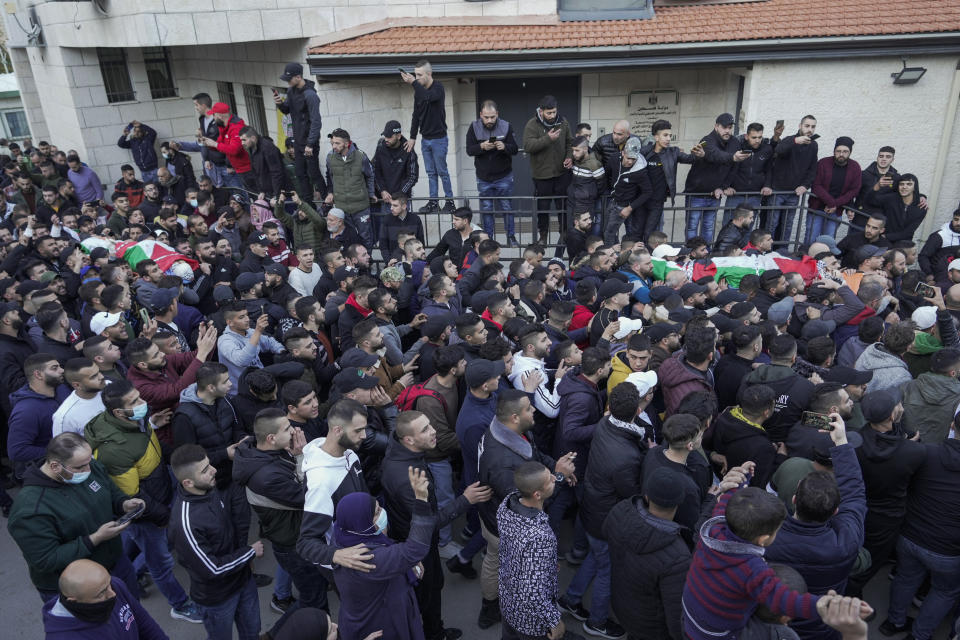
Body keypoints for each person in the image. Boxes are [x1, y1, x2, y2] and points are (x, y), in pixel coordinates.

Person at [84, 380, 202, 623]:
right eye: (135, 402)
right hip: (148, 511)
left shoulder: (133, 421)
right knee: (161, 562)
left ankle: (130, 572)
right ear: (118, 412)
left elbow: (151, 448)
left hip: (159, 491)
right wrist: (163, 517)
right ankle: (179, 605)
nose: (142, 404)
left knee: (138, 545)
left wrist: (177, 458)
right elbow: (133, 495)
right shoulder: (114, 449)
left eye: (140, 397)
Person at [681, 462, 823, 640]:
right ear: (764, 539)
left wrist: (741, 480)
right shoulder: (751, 568)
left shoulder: (713, 530)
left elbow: (725, 502)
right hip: (716, 633)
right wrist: (824, 606)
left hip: (690, 616)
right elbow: (784, 600)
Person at [381, 411, 489, 640]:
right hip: (416, 545)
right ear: (408, 440)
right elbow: (427, 523)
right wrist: (465, 500)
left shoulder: (400, 448)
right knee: (427, 594)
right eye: (425, 430)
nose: (433, 432)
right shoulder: (406, 478)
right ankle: (434, 634)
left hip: (409, 537)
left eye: (430, 425)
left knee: (431, 587)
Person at [476, 390, 577, 630]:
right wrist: (559, 477)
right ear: (513, 416)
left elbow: (536, 457)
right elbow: (529, 500)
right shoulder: (501, 461)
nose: (534, 411)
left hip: (500, 516)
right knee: (499, 563)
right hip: (500, 526)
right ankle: (491, 608)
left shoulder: (511, 432)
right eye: (529, 409)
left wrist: (556, 468)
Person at [765, 412, 867, 640]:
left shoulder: (766, 538)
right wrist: (841, 442)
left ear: (793, 500)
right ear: (835, 512)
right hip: (822, 627)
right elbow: (854, 493)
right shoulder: (846, 543)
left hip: (774, 622)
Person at [7, 432, 144, 600]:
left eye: (89, 462)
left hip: (116, 564)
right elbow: (46, 560)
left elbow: (109, 490)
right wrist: (95, 538)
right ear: (56, 466)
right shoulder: (30, 510)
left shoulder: (87, 467)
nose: (88, 470)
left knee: (132, 616)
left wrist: (123, 504)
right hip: (78, 590)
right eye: (80, 467)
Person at [232, 408, 329, 615]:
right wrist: (302, 457)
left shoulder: (264, 451)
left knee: (313, 595)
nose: (293, 430)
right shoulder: (267, 476)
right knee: (315, 600)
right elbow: (307, 497)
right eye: (287, 428)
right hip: (293, 543)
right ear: (271, 438)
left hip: (293, 534)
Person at [168, 444, 262, 640]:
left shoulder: (209, 490)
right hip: (218, 599)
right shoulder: (185, 522)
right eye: (205, 470)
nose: (214, 470)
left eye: (209, 464)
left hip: (243, 582)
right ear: (188, 483)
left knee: (252, 632)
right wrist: (249, 552)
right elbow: (212, 569)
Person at [334, 467, 435, 640]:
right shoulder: (365, 557)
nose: (382, 514)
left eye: (380, 507)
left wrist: (406, 564)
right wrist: (421, 500)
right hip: (383, 624)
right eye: (376, 513)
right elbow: (415, 549)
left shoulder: (343, 536)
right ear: (362, 523)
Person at [881, 425, 960, 640]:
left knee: (905, 578)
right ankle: (919, 636)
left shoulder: (927, 453)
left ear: (952, 426)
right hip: (949, 549)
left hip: (911, 535)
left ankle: (893, 622)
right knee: (944, 591)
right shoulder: (927, 453)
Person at [604, 467, 689, 640]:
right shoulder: (678, 557)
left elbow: (605, 531)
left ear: (647, 496)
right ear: (679, 503)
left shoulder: (621, 510)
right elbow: (675, 614)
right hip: (653, 628)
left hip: (622, 607)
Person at [296, 398, 376, 571]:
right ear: (338, 430)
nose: (364, 435)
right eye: (359, 430)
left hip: (366, 543)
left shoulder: (350, 455)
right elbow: (306, 543)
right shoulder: (321, 482)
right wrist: (336, 555)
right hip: (346, 566)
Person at [497, 461, 567, 640]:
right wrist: (555, 621)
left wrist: (547, 561)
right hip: (530, 622)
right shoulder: (540, 536)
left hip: (507, 601)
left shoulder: (507, 505)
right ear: (537, 494)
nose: (554, 478)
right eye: (550, 480)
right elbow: (533, 593)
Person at [42, 558, 169, 640]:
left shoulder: (113, 586)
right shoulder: (63, 637)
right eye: (101, 594)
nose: (113, 594)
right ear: (73, 601)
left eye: (108, 583)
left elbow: (145, 624)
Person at [172, 362, 246, 490]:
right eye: (225, 381)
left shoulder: (225, 400)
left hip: (235, 474)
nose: (230, 384)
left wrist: (242, 440)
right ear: (211, 388)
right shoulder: (184, 417)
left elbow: (236, 426)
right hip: (212, 484)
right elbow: (188, 458)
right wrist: (224, 454)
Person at [685, 112, 750, 241]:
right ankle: (691, 253)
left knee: (708, 227)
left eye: (730, 127)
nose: (727, 131)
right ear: (716, 126)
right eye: (724, 127)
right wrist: (732, 157)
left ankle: (706, 254)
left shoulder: (734, 142)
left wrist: (722, 187)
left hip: (715, 194)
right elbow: (715, 155)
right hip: (696, 193)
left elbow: (733, 169)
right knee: (692, 227)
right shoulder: (707, 140)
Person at [400, 60, 454, 214]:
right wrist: (412, 137)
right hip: (425, 139)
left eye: (419, 75)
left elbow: (429, 97)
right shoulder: (419, 91)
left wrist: (412, 83)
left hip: (439, 139)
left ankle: (449, 202)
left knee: (442, 171)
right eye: (415, 75)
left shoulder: (438, 88)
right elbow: (416, 115)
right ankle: (433, 202)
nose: (416, 78)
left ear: (429, 74)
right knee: (431, 173)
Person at [706, 384, 782, 490]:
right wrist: (780, 457)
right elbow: (761, 484)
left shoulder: (725, 417)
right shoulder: (762, 447)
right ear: (766, 412)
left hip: (723, 480)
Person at [7, 352, 70, 477]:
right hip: (49, 470)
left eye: (59, 366)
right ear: (38, 374)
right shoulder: (26, 411)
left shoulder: (61, 388)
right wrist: (61, 453)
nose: (62, 370)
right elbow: (17, 451)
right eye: (54, 368)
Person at [466, 100, 519, 246]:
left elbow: (515, 149)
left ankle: (511, 237)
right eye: (486, 117)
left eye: (492, 117)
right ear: (481, 115)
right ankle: (487, 239)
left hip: (504, 176)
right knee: (487, 210)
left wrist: (505, 146)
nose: (489, 120)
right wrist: (481, 146)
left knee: (506, 207)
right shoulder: (474, 127)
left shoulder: (506, 126)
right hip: (484, 177)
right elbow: (469, 150)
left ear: (497, 114)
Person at [523, 95, 573, 245]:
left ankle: (564, 233)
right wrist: (547, 139)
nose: (552, 116)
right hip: (542, 175)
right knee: (543, 208)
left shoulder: (563, 122)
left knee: (562, 206)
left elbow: (570, 142)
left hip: (561, 173)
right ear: (541, 111)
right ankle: (543, 235)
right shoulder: (532, 124)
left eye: (554, 112)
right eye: (548, 113)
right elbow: (528, 146)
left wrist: (570, 157)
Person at [275, 62, 327, 202]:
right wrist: (279, 103)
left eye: (289, 79)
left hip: (309, 142)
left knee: (314, 174)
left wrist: (310, 143)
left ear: (298, 77)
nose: (288, 82)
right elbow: (287, 110)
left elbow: (316, 122)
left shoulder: (310, 95)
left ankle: (328, 202)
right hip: (298, 141)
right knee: (300, 173)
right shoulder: (291, 91)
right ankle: (308, 205)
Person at [768, 115, 818, 243]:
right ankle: (766, 252)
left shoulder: (813, 145)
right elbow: (779, 149)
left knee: (787, 225)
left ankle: (782, 252)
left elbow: (812, 169)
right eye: (807, 126)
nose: (810, 130)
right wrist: (796, 141)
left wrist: (805, 186)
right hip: (777, 191)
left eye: (813, 127)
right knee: (771, 224)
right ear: (800, 126)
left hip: (794, 193)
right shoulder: (790, 139)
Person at [324, 128, 376, 249]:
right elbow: (329, 176)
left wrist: (371, 193)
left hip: (361, 207)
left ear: (347, 143)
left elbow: (370, 175)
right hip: (342, 208)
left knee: (365, 237)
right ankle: (352, 265)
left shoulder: (360, 156)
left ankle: (366, 263)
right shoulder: (330, 157)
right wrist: (330, 192)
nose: (334, 146)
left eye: (337, 143)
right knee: (348, 238)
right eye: (332, 143)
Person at [217, 302, 285, 392]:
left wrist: (282, 351)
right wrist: (257, 332)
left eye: (247, 315)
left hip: (262, 383)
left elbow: (269, 342)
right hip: (241, 391)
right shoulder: (225, 341)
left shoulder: (250, 331)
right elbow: (242, 360)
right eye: (241, 317)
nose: (247, 319)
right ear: (230, 322)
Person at [807, 137, 862, 242]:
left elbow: (854, 190)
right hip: (817, 209)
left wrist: (835, 204)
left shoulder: (855, 167)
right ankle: (807, 258)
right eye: (838, 151)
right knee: (811, 238)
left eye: (845, 151)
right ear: (834, 151)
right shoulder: (823, 163)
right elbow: (816, 185)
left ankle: (823, 259)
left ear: (850, 152)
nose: (841, 154)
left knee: (828, 240)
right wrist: (832, 203)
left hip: (836, 211)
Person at [603, 137, 651, 244]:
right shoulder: (614, 158)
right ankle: (614, 254)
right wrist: (609, 189)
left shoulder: (640, 170)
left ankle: (613, 257)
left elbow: (647, 192)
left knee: (610, 233)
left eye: (633, 159)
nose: (630, 161)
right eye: (628, 158)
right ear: (623, 153)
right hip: (613, 200)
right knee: (606, 231)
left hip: (625, 205)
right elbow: (607, 173)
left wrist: (630, 208)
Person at [200, 102, 253, 192]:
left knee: (251, 194)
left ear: (220, 116)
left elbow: (234, 149)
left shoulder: (236, 127)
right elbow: (221, 143)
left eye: (214, 115)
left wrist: (214, 144)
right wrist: (208, 144)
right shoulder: (223, 127)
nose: (213, 118)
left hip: (247, 169)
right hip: (239, 169)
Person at [239, 126, 291, 199]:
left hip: (280, 192)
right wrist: (261, 191)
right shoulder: (251, 147)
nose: (242, 143)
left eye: (244, 140)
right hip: (267, 192)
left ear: (253, 138)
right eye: (241, 140)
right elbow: (256, 172)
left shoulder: (268, 147)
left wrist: (277, 195)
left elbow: (276, 173)